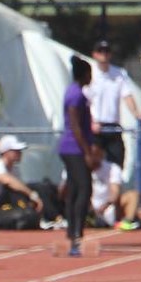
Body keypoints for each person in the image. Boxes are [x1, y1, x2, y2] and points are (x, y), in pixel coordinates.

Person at [84, 40, 141, 175]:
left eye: (106, 51)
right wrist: (91, 121)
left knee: (116, 164)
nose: (104, 55)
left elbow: (127, 95)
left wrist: (136, 113)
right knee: (93, 164)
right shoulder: (90, 74)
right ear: (95, 54)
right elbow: (85, 100)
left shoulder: (119, 73)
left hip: (113, 126)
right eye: (100, 51)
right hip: (96, 127)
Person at [58, 55, 93, 255]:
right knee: (83, 189)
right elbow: (76, 126)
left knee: (74, 189)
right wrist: (87, 151)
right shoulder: (75, 94)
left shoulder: (76, 92)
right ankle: (76, 232)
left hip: (72, 147)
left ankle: (72, 232)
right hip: (73, 148)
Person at [0, 134, 44, 228]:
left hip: (7, 206)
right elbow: (9, 181)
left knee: (39, 192)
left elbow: (20, 188)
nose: (20, 153)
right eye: (16, 151)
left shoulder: (15, 169)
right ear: (6, 152)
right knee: (23, 217)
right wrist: (32, 195)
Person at [85, 142, 141, 230]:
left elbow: (115, 192)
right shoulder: (80, 169)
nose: (93, 157)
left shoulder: (112, 168)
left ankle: (127, 222)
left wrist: (105, 205)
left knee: (133, 195)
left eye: (95, 154)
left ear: (101, 154)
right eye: (91, 154)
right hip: (88, 210)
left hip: (108, 208)